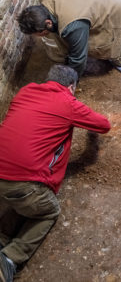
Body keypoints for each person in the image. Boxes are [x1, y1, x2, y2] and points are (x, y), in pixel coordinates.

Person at [0, 65, 111, 282]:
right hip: (24, 184)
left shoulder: (26, 91)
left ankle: (2, 237)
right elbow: (103, 125)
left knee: (19, 202)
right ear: (71, 87)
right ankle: (10, 259)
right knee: (48, 210)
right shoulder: (68, 102)